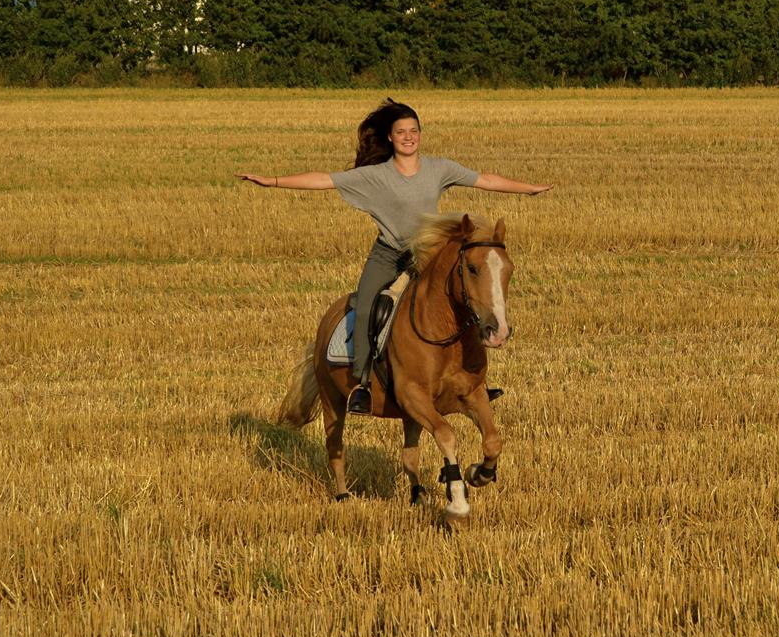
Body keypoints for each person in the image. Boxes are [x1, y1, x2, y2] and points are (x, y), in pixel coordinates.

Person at [236, 98, 552, 415]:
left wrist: (529, 189)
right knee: (365, 307)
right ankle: (362, 383)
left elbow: (486, 180)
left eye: (413, 131)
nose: (408, 137)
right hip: (388, 255)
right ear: (390, 137)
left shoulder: (439, 169)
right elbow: (323, 180)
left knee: (462, 301)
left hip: (426, 255)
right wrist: (272, 181)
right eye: (401, 132)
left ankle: (473, 382)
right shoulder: (376, 175)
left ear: (420, 134)